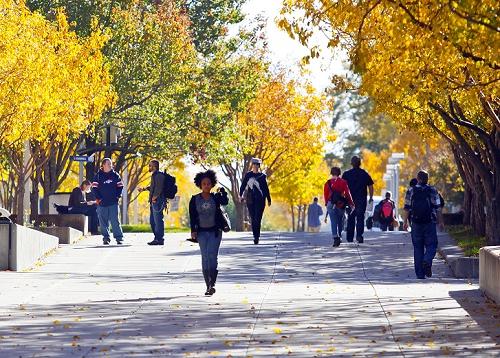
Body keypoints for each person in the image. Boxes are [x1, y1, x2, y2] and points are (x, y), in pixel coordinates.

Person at [189, 169, 229, 296]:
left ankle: (213, 284)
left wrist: (223, 193)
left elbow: (225, 202)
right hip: (201, 232)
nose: (206, 185)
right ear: (200, 185)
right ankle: (208, 285)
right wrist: (193, 231)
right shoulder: (194, 199)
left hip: (215, 231)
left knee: (212, 256)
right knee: (205, 257)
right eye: (204, 184)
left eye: (208, 183)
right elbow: (192, 216)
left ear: (212, 184)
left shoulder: (215, 198)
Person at [403, 170, 444, 279]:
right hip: (429, 222)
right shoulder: (433, 190)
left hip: (415, 223)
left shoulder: (411, 190)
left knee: (418, 247)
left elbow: (407, 207)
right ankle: (427, 260)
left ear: (418, 179)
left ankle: (420, 274)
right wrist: (440, 221)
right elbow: (438, 208)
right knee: (432, 245)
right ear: (427, 179)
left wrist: (405, 222)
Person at [91, 158, 124, 245]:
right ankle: (106, 238)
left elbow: (120, 186)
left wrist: (117, 196)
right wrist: (98, 198)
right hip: (102, 203)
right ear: (103, 165)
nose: (110, 165)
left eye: (111, 164)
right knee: (103, 223)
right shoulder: (97, 176)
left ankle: (119, 238)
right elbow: (94, 188)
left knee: (115, 221)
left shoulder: (115, 175)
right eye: (108, 164)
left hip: (113, 203)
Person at [342, 155, 374, 244]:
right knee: (360, 218)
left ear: (351, 163)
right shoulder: (365, 174)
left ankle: (349, 237)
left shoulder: (346, 174)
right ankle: (359, 236)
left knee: (350, 218)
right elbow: (370, 186)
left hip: (350, 200)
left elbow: (342, 187)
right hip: (361, 200)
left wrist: (342, 197)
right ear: (360, 163)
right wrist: (371, 197)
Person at [239, 158, 271, 244]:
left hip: (260, 200)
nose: (255, 166)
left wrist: (268, 199)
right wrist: (240, 195)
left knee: (258, 218)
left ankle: (257, 236)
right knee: (253, 218)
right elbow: (243, 186)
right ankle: (255, 235)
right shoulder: (248, 175)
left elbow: (265, 189)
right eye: (254, 164)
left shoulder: (262, 176)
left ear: (259, 166)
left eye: (257, 164)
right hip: (250, 200)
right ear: (252, 165)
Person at [324, 167, 355, 247]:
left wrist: (326, 203)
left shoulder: (327, 183)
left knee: (333, 221)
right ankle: (339, 235)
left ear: (331, 173)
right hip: (340, 204)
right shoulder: (343, 182)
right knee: (340, 221)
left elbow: (325, 195)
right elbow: (347, 193)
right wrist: (351, 203)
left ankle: (335, 237)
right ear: (339, 173)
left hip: (330, 204)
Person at [138, 160, 166, 246]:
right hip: (153, 201)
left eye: (150, 166)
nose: (149, 167)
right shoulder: (154, 175)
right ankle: (156, 238)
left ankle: (159, 239)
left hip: (158, 201)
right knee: (153, 221)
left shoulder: (159, 175)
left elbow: (159, 187)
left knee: (158, 221)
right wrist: (144, 189)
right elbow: (153, 187)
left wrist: (155, 197)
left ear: (154, 166)